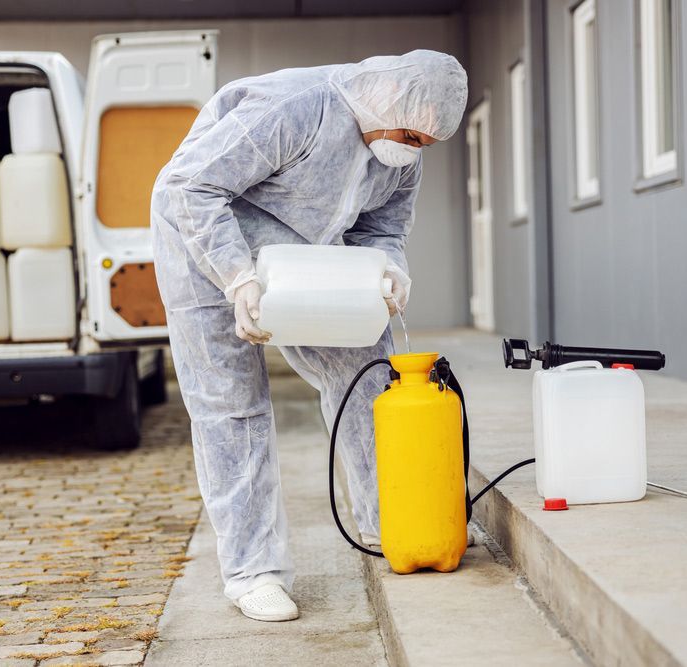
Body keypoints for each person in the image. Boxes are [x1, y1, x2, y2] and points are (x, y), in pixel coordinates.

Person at [150, 49, 468, 622]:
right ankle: (253, 572)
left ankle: (388, 525)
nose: (414, 153)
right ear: (386, 101)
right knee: (232, 407)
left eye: (425, 145)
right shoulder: (296, 107)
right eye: (412, 138)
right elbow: (191, 188)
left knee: (368, 375)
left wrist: (388, 267)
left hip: (307, 257)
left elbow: (384, 226)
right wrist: (237, 275)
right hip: (204, 249)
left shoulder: (401, 151)